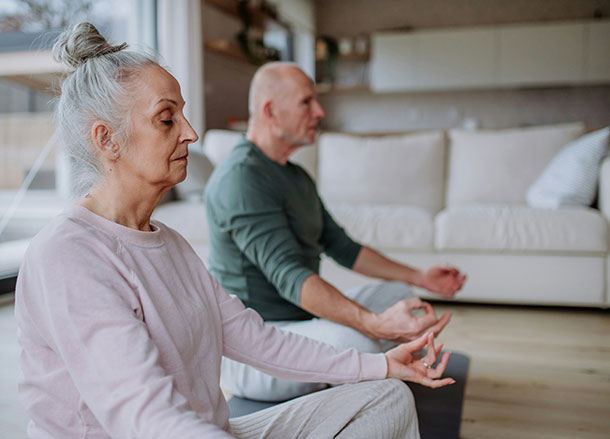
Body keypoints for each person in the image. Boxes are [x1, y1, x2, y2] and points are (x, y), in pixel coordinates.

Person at [14, 23, 455, 439]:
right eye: (167, 119)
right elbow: (147, 418)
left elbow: (255, 337)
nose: (190, 133)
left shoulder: (169, 243)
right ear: (106, 140)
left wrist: (379, 365)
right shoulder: (69, 254)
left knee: (386, 397)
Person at [205, 61, 467, 402]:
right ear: (270, 111)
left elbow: (341, 246)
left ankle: (368, 362)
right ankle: (370, 362)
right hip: (257, 348)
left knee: (401, 297)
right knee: (360, 343)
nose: (319, 111)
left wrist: (420, 277)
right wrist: (373, 324)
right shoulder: (241, 179)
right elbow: (290, 276)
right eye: (306, 102)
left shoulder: (296, 176)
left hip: (301, 324)